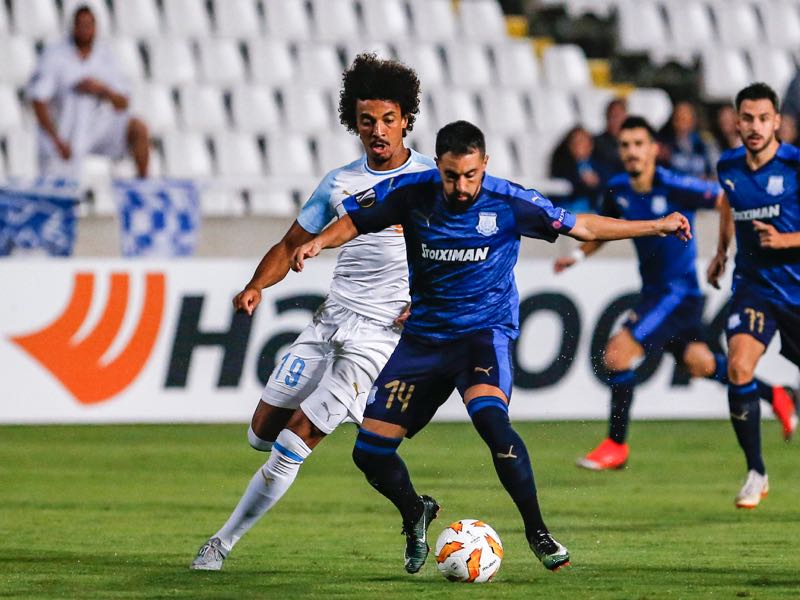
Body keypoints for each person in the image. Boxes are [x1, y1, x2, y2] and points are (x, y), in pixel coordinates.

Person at [290, 120, 693, 574]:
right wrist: (317, 243)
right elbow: (356, 221)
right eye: (450, 175)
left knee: (493, 425)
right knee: (369, 452)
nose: (460, 186)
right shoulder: (411, 192)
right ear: (437, 166)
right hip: (423, 340)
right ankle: (414, 512)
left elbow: (582, 226)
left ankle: (538, 532)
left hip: (483, 337)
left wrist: (656, 225)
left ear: (485, 164)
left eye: (469, 175)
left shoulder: (510, 201)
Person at [189, 54, 435, 570]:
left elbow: (456, 256)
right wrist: (256, 285)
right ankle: (416, 508)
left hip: (379, 337)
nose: (378, 131)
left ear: (407, 119)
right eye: (367, 121)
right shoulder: (339, 182)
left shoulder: (431, 183)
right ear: (354, 123)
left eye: (388, 119)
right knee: (260, 432)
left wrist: (428, 305)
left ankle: (220, 545)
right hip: (330, 321)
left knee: (292, 441)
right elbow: (290, 243)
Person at [554, 116, 797, 472]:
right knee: (701, 363)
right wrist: (576, 256)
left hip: (677, 294)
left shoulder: (675, 185)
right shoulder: (618, 187)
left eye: (639, 144)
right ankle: (776, 394)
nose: (632, 152)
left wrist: (722, 250)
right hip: (655, 293)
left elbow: (724, 198)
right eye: (625, 145)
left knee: (617, 356)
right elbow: (605, 230)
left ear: (654, 149)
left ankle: (616, 446)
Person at [708, 82, 800, 509]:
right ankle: (756, 471)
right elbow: (728, 202)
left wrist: (785, 241)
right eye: (748, 118)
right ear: (737, 121)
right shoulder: (728, 164)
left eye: (764, 118)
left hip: (796, 289)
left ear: (777, 121)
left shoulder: (795, 166)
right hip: (753, 288)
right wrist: (721, 251)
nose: (755, 126)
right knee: (740, 367)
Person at [26, 3, 150, 178]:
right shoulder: (54, 56)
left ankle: (144, 186)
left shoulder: (106, 56)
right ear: (73, 27)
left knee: (138, 128)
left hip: (97, 129)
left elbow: (123, 103)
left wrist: (101, 90)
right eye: (81, 25)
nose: (86, 30)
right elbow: (38, 101)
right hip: (64, 132)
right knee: (61, 187)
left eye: (89, 25)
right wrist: (56, 140)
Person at [549, 126, 603, 212]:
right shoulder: (563, 164)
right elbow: (565, 185)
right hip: (569, 208)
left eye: (583, 142)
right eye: (576, 142)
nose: (580, 146)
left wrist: (596, 182)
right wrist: (583, 181)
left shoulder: (598, 163)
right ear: (570, 146)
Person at [658, 101, 715, 180]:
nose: (682, 123)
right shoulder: (665, 144)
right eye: (679, 118)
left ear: (693, 121)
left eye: (686, 118)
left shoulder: (704, 143)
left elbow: (713, 171)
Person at [592, 97, 627, 181]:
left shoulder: (635, 143)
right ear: (607, 116)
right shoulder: (595, 142)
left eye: (619, 115)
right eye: (612, 115)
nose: (616, 119)